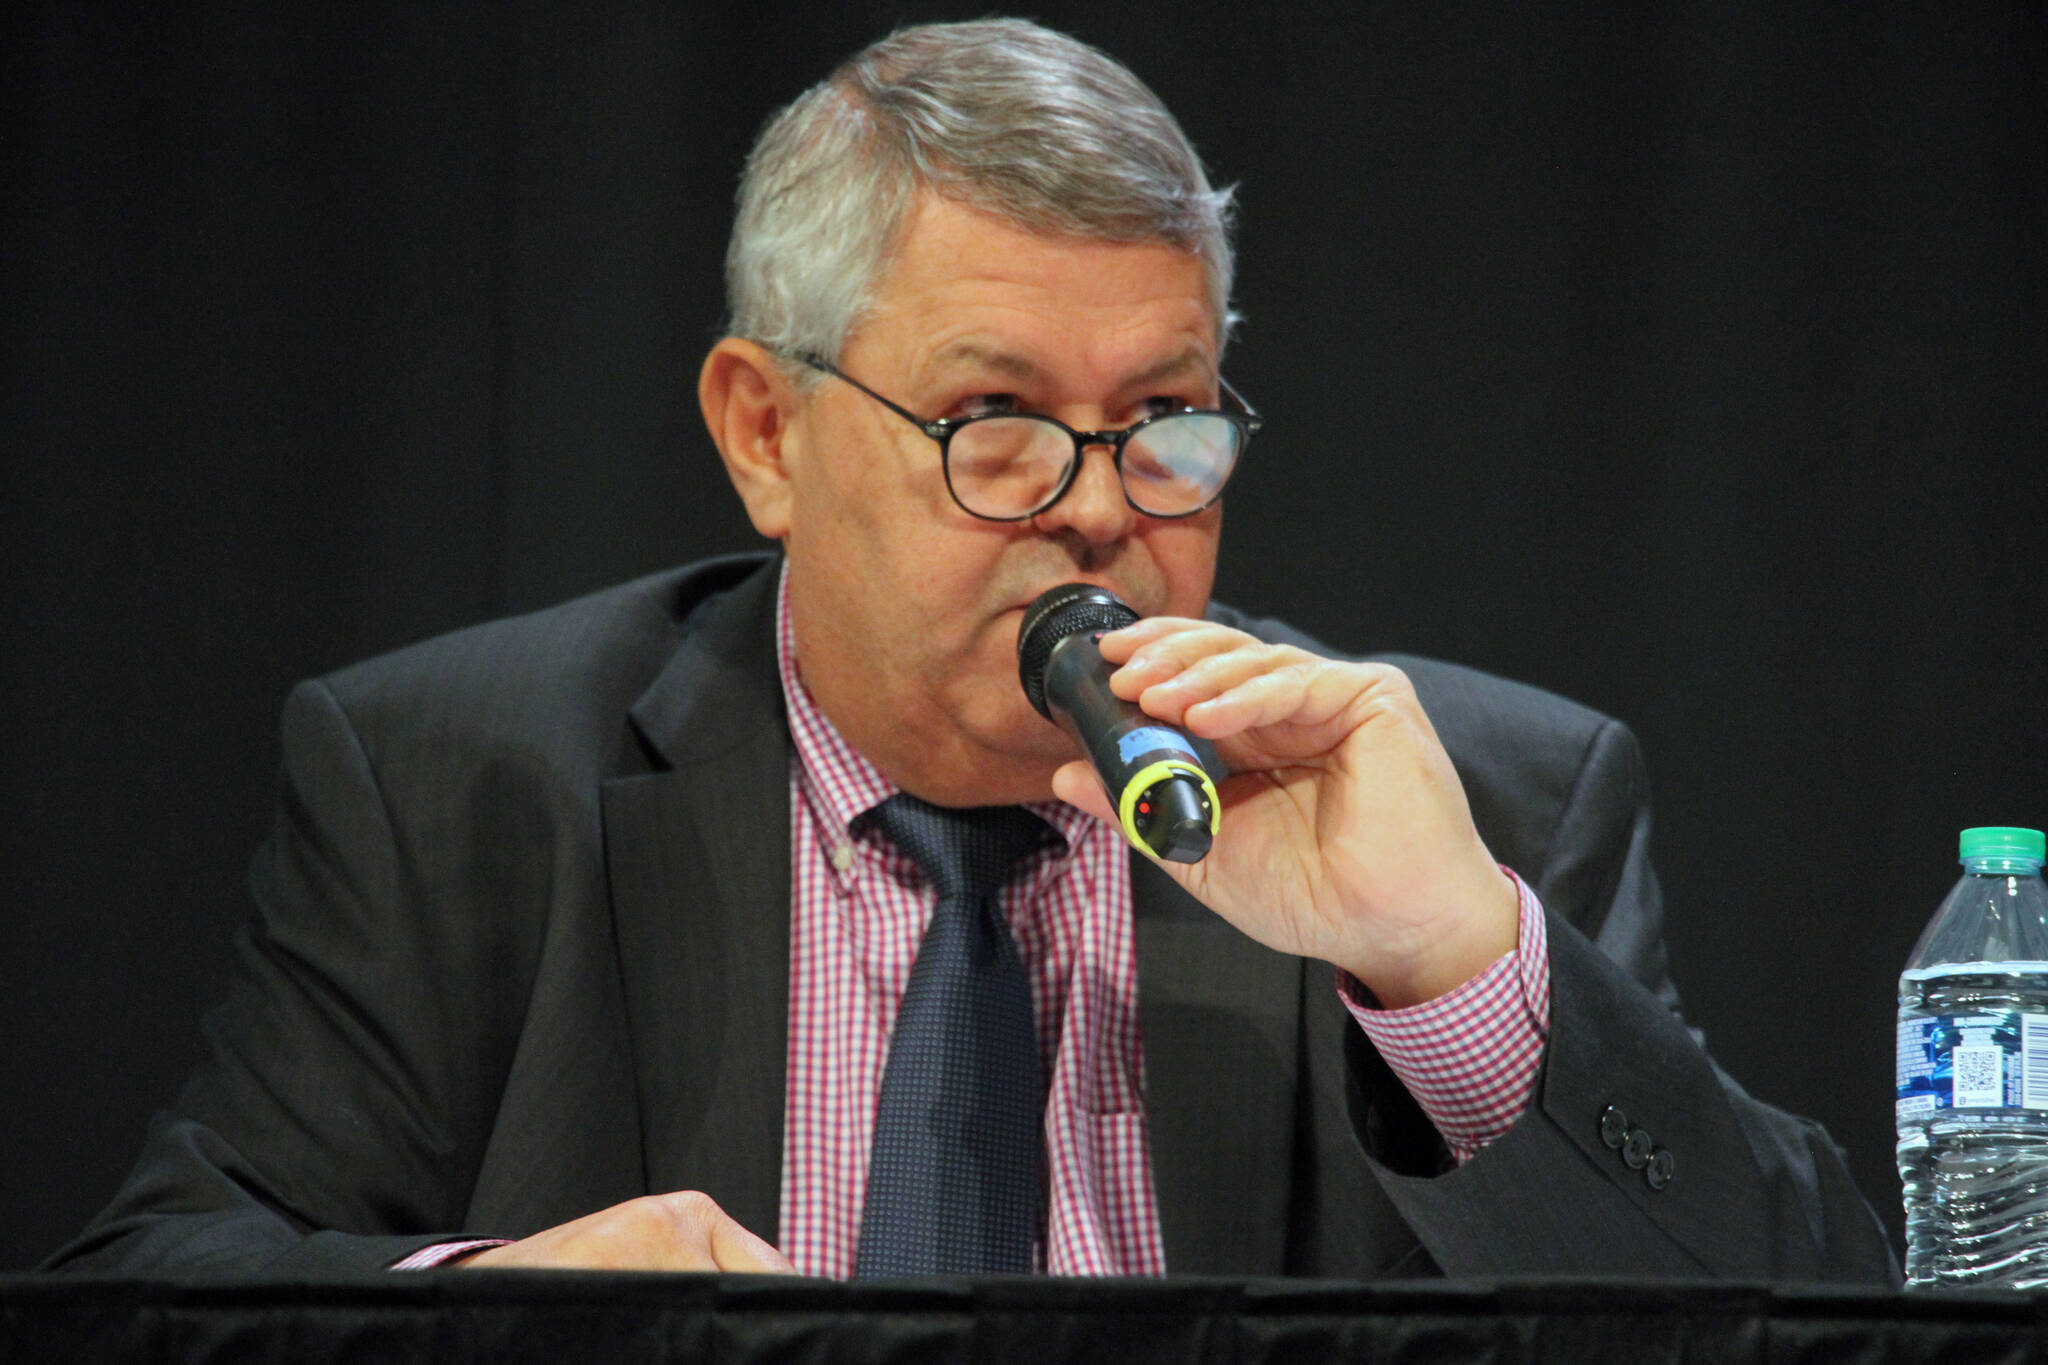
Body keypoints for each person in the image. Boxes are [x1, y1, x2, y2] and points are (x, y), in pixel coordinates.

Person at [51, 19, 1894, 1281]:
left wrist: (1450, 972)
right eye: (993, 419)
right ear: (766, 431)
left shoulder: (1479, 799)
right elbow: (156, 1284)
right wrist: (490, 1299)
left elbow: (1801, 1314)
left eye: (1166, 416)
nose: (1101, 512)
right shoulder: (461, 779)